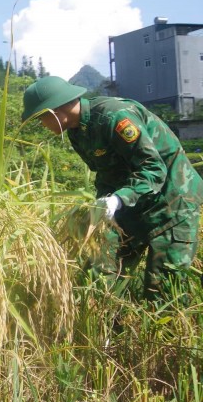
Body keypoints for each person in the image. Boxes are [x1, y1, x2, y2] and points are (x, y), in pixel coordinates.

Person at [22, 76, 203, 300]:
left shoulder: (115, 116)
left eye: (41, 118)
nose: (42, 125)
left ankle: (167, 332)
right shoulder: (78, 132)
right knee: (101, 270)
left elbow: (154, 170)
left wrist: (119, 199)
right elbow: (107, 174)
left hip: (173, 202)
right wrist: (101, 206)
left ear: (56, 111)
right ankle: (109, 329)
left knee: (163, 287)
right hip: (134, 203)